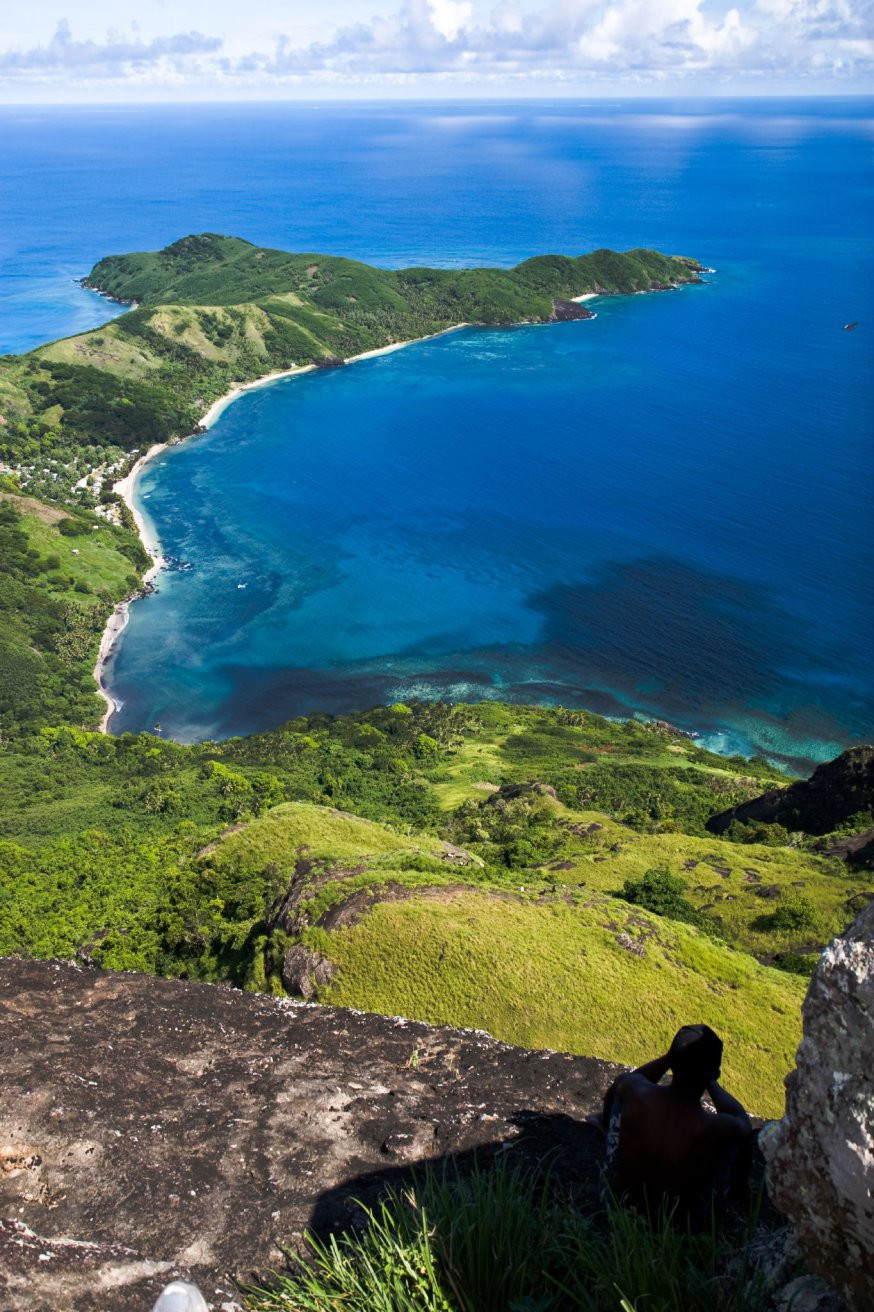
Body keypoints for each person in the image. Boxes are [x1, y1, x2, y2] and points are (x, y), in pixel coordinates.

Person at [599, 1024, 751, 1224]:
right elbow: (742, 1121)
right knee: (734, 1144)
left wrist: (671, 1058)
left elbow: (630, 1080)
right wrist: (710, 1080)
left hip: (617, 1204)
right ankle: (738, 1193)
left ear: (673, 1062)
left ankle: (601, 1125)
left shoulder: (634, 1092)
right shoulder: (715, 1128)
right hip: (677, 1223)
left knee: (619, 1095)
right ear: (713, 1072)